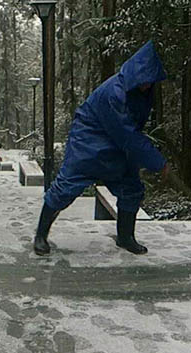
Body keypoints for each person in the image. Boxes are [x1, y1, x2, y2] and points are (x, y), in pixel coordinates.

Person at [33, 40, 169, 257]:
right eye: (144, 81)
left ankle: (125, 237)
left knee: (132, 188)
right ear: (136, 75)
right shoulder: (114, 93)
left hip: (118, 142)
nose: (147, 85)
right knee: (65, 188)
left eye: (150, 81)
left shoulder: (144, 91)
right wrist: (157, 162)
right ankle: (41, 234)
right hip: (89, 140)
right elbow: (128, 134)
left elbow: (131, 130)